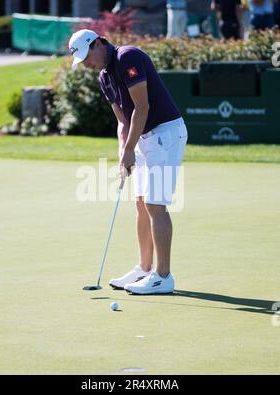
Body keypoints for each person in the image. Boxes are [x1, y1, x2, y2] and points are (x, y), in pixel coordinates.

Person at [69, 29, 188, 295]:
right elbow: (123, 120)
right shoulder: (104, 76)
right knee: (142, 203)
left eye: (88, 57)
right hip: (144, 136)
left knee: (157, 205)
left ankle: (163, 276)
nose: (87, 64)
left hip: (165, 132)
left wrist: (130, 149)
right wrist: (123, 152)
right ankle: (144, 269)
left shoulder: (128, 57)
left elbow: (142, 107)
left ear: (98, 43)